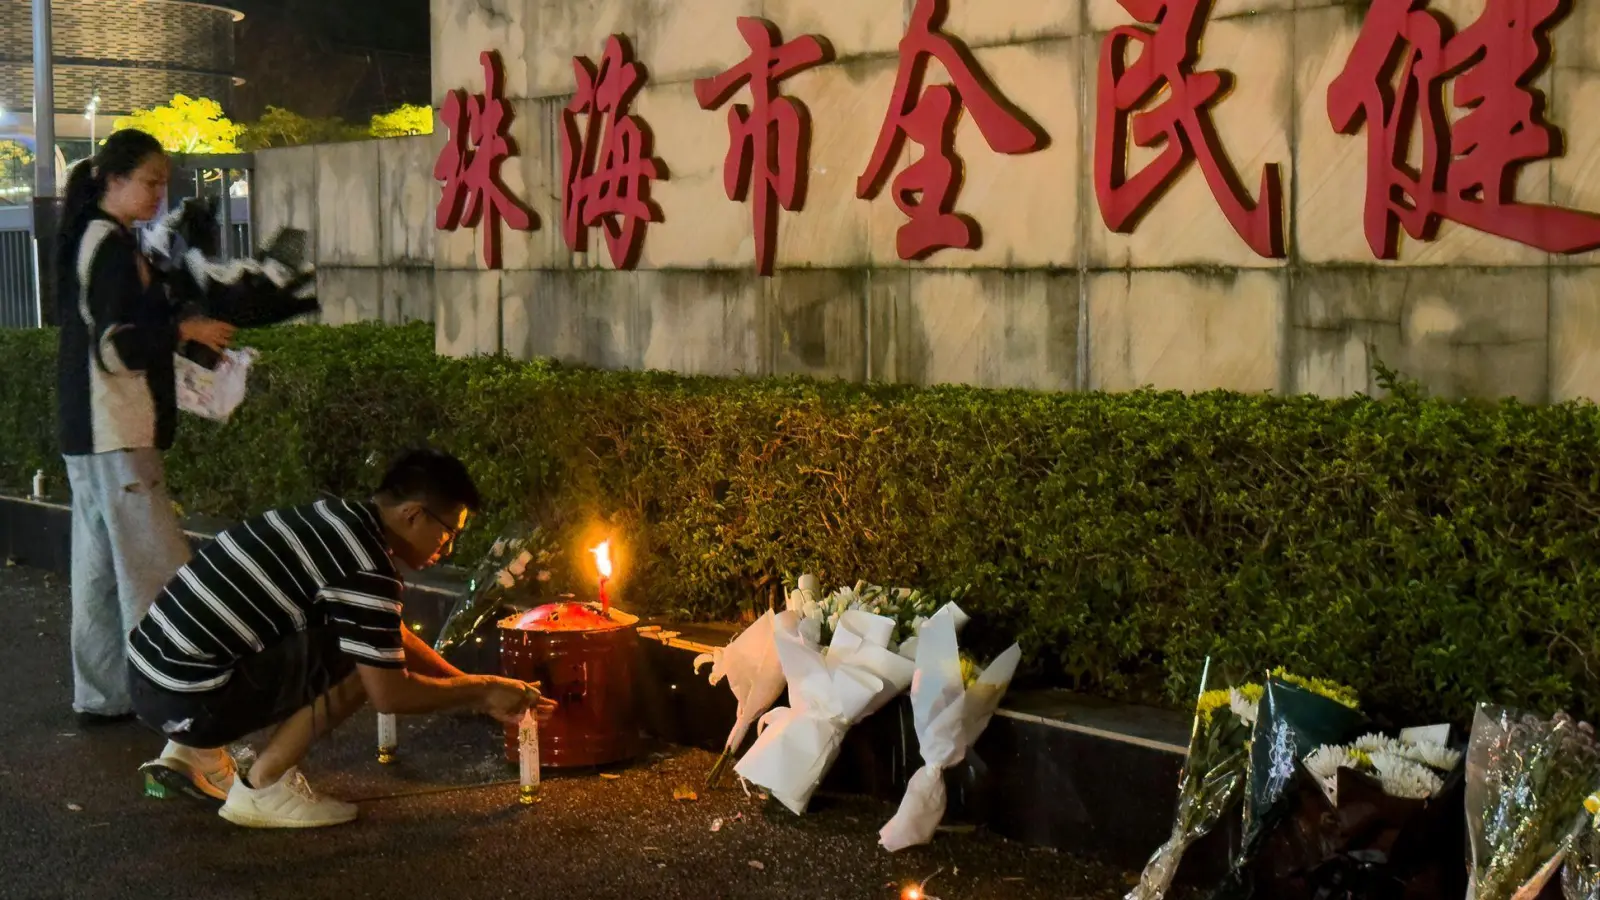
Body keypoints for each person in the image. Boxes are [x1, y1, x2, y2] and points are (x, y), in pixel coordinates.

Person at [128, 448, 555, 828]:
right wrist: (481, 690)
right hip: (189, 699)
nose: (447, 550)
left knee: (361, 640)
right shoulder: (366, 564)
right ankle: (263, 786)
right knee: (358, 659)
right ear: (413, 514)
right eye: (449, 534)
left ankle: (191, 752)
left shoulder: (336, 520)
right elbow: (390, 693)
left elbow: (390, 633)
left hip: (151, 679)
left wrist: (461, 681)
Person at [56, 129, 236, 725]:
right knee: (155, 569)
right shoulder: (110, 246)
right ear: (114, 180)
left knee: (101, 571)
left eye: (165, 182)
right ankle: (177, 700)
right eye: (151, 181)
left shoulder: (97, 238)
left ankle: (104, 695)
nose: (161, 194)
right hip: (118, 429)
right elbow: (116, 348)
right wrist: (184, 332)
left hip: (92, 432)